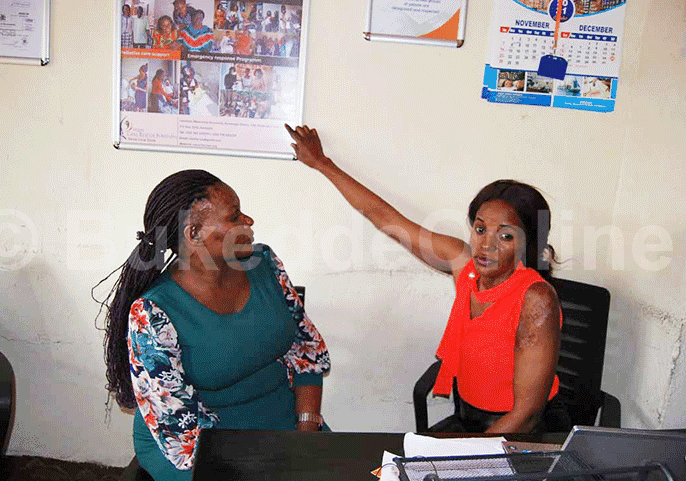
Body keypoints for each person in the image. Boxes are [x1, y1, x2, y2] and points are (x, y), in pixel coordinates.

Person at [285, 125, 563, 434]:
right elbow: (386, 218)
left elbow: (526, 415)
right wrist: (322, 163)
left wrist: (469, 456)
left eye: (506, 236)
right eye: (480, 229)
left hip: (519, 434)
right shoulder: (464, 265)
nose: (487, 245)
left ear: (529, 243)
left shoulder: (536, 298)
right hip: (468, 422)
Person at [100, 170, 330, 481]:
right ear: (194, 234)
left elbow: (306, 352)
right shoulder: (154, 312)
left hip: (280, 420)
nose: (248, 220)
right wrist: (269, 466)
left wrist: (306, 429)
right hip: (197, 445)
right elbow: (180, 433)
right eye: (235, 216)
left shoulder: (264, 264)